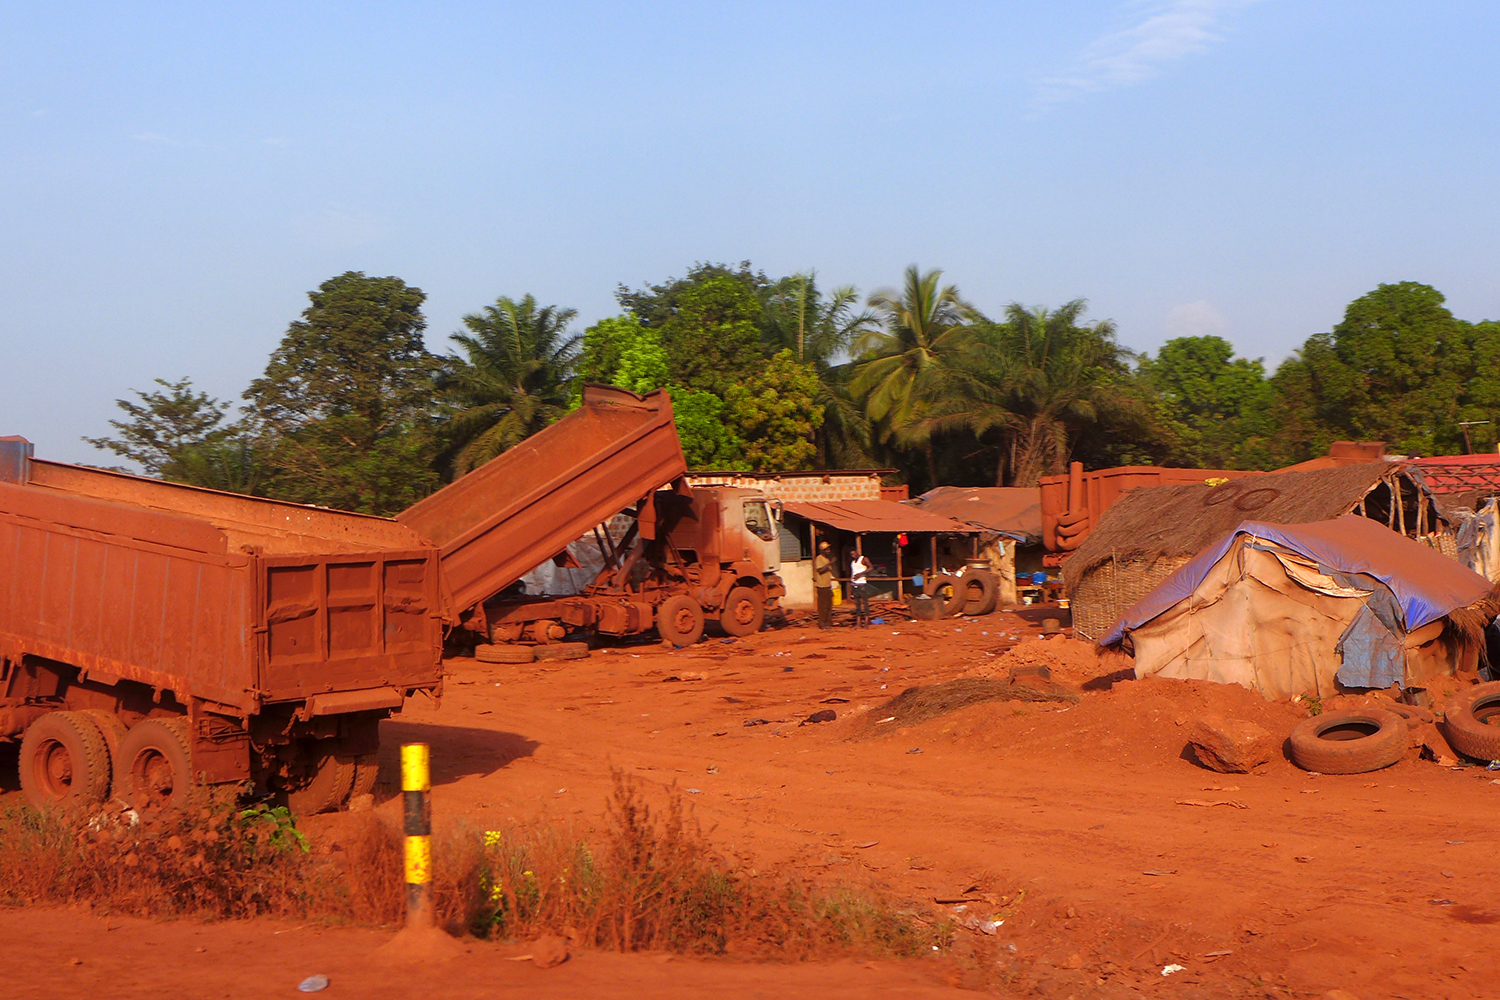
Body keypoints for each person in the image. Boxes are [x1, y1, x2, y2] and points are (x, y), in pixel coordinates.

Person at [813, 540, 834, 629]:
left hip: (827, 585)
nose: (829, 551)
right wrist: (830, 563)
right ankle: (822, 623)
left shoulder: (827, 559)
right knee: (823, 606)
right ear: (823, 550)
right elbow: (820, 570)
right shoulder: (819, 558)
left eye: (829, 549)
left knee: (829, 605)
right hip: (822, 586)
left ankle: (828, 623)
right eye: (827, 549)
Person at [850, 551, 871, 628]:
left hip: (862, 584)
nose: (853, 555)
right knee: (857, 604)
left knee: (865, 603)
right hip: (854, 584)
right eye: (851, 555)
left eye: (854, 553)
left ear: (857, 552)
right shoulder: (853, 562)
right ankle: (858, 623)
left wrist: (860, 574)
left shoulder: (864, 559)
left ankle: (866, 622)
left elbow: (871, 567)